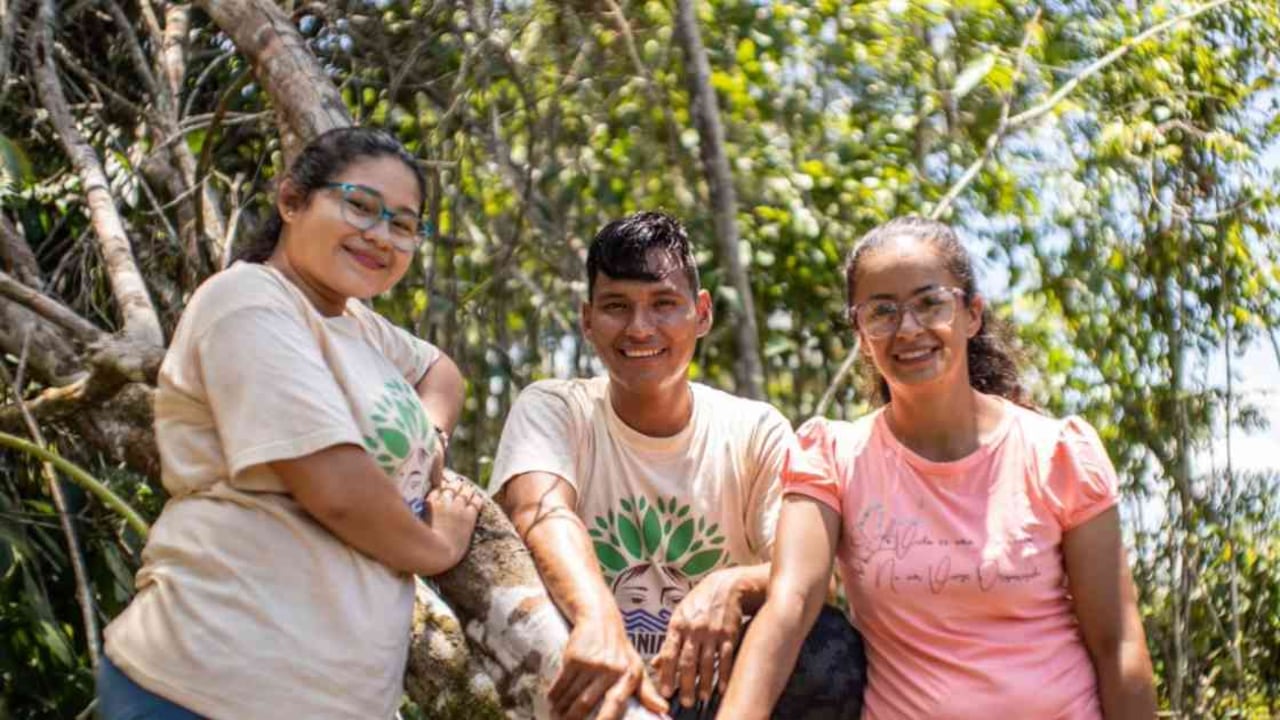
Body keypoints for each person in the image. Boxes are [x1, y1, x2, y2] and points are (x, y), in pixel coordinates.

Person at [98, 127, 483, 719]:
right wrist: (437, 546)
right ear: (291, 200)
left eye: (403, 225)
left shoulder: (355, 323)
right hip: (210, 684)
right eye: (360, 206)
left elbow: (441, 371)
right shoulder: (249, 302)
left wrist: (430, 438)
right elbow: (336, 489)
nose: (380, 236)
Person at [719, 216, 1157, 719]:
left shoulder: (1057, 453)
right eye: (882, 311)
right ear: (861, 333)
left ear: (971, 314)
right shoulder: (832, 455)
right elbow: (790, 607)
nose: (907, 329)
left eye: (930, 303)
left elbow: (1116, 643)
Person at [491, 211, 865, 720]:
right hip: (588, 678)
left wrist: (728, 585)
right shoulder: (556, 407)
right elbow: (541, 512)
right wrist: (598, 619)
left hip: (711, 694)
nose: (639, 327)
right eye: (616, 306)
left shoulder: (753, 428)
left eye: (664, 304)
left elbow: (811, 578)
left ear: (702, 312)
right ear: (586, 319)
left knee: (827, 643)